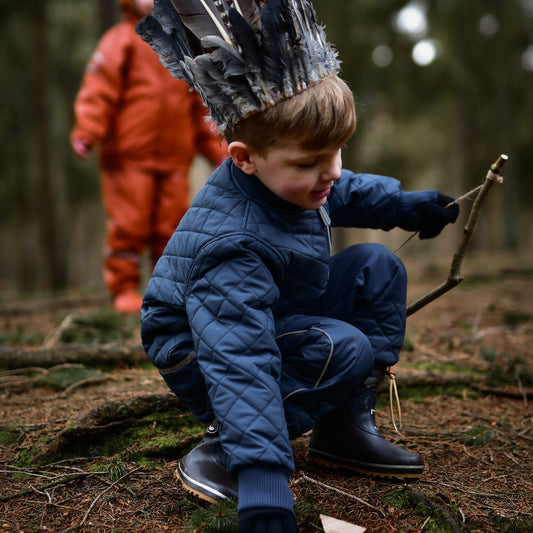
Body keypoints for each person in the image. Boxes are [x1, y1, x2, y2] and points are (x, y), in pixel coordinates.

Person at [138, 1, 459, 531]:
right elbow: (240, 357)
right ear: (244, 157)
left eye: (337, 151)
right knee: (343, 346)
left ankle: (343, 430)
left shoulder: (291, 178)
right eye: (310, 162)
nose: (329, 171)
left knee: (375, 268)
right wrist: (264, 481)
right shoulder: (232, 247)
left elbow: (345, 189)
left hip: (276, 308)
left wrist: (407, 204)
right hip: (203, 350)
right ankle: (228, 453)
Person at [70, 0, 228, 314]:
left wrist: (217, 150)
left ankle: (165, 289)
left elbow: (198, 105)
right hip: (129, 157)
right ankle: (124, 287)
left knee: (171, 226)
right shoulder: (121, 40)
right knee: (129, 224)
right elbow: (99, 88)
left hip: (174, 159)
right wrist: (87, 130)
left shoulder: (179, 44)